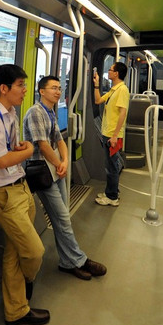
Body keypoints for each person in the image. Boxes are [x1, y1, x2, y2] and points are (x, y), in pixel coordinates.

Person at [0, 64, 49, 325]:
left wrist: (20, 147)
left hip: (21, 187)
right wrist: (27, 151)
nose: (25, 90)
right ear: (3, 88)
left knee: (15, 252)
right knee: (34, 251)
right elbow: (3, 161)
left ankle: (16, 310)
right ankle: (28, 282)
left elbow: (10, 148)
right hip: (2, 195)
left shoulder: (11, 113)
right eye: (20, 85)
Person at [23, 76, 107, 280]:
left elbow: (59, 140)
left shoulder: (50, 112)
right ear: (41, 91)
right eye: (53, 88)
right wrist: (59, 163)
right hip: (43, 172)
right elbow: (42, 145)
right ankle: (79, 260)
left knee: (63, 219)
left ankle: (67, 261)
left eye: (59, 88)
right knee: (62, 219)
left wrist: (66, 160)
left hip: (55, 169)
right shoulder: (35, 112)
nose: (58, 91)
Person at [93, 61, 130, 206]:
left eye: (110, 70)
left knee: (111, 166)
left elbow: (122, 113)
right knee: (110, 164)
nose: (108, 72)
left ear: (116, 73)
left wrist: (115, 135)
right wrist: (96, 84)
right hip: (107, 132)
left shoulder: (122, 90)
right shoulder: (114, 89)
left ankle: (112, 197)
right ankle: (111, 191)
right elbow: (98, 100)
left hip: (113, 134)